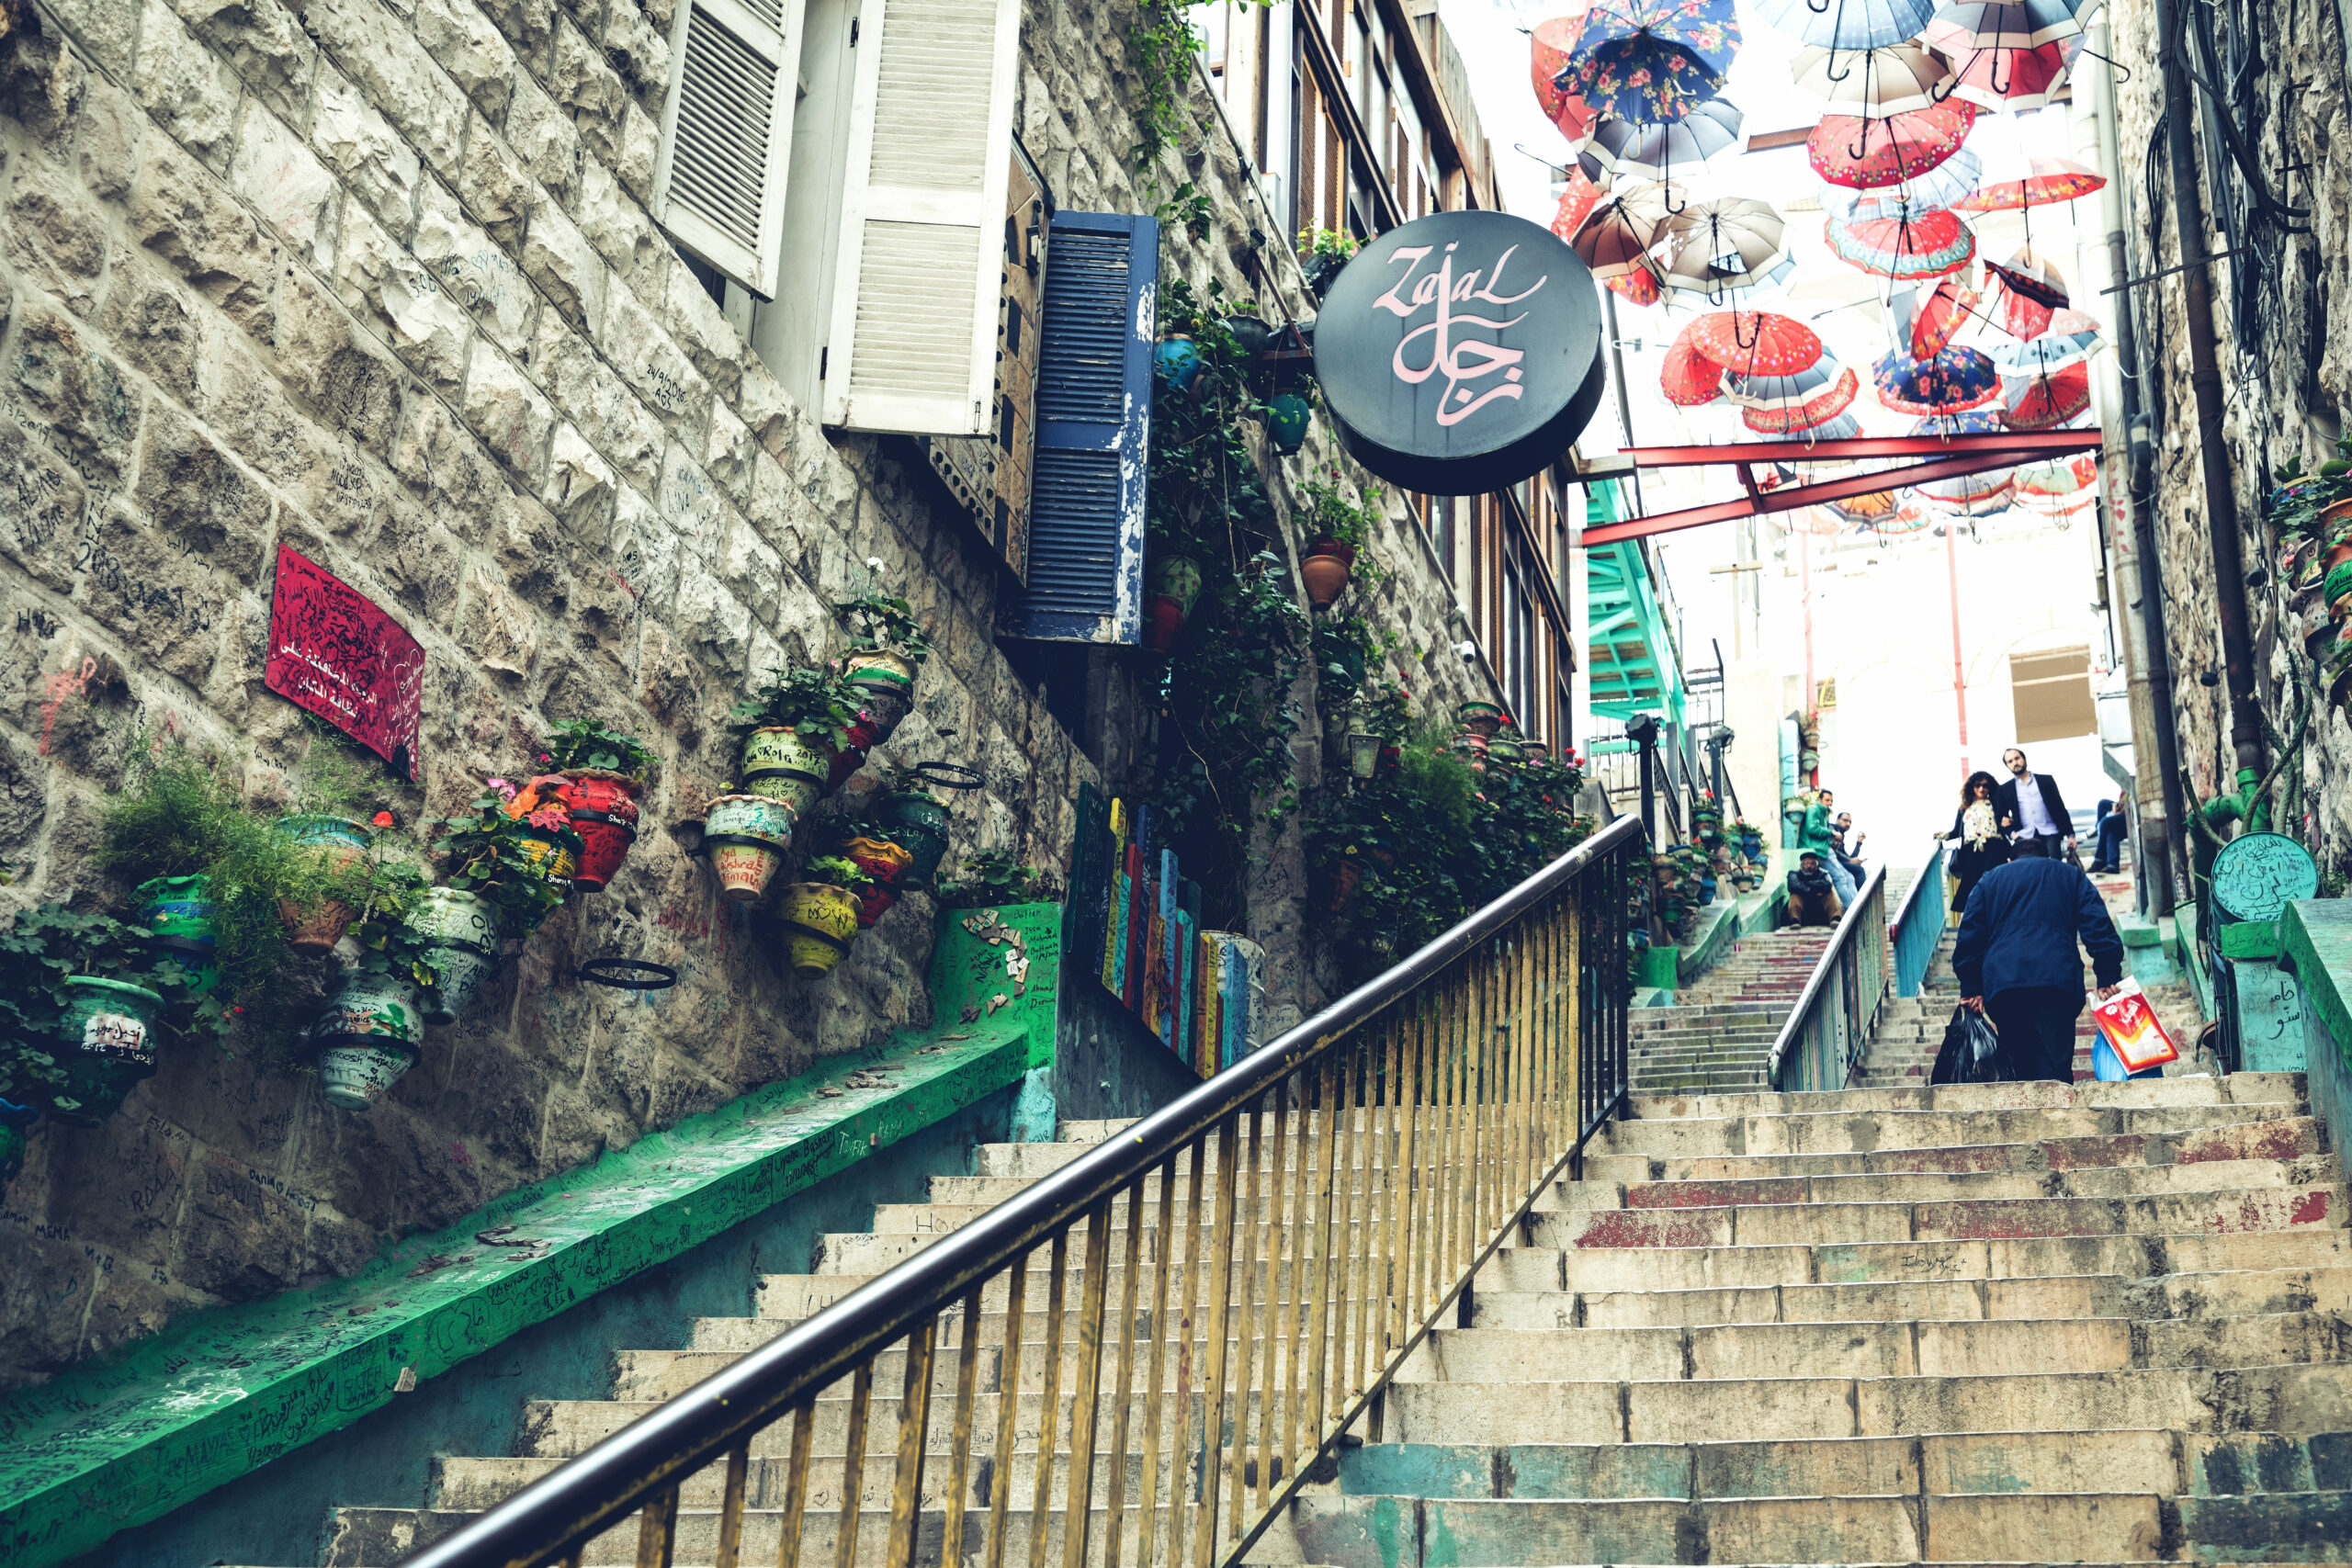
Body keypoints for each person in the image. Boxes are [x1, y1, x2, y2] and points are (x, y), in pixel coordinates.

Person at [1951, 852, 2125, 1082]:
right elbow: (2097, 924)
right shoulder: (2069, 874)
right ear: (2048, 857)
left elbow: (1969, 935)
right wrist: (2107, 974)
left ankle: (2024, 1112)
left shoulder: (1989, 880)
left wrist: (1971, 986)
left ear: (2010, 860)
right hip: (2057, 982)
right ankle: (2058, 1112)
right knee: (2056, 1064)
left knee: (2016, 1064)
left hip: (2005, 984)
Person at [1938, 771, 2010, 913]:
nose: (1981, 789)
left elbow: (2005, 822)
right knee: (1972, 882)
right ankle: (1974, 915)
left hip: (1994, 846)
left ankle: (1995, 913)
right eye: (1978, 785)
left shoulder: (1996, 803)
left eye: (1985, 785)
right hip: (1970, 849)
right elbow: (1956, 830)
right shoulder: (1964, 807)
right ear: (1972, 787)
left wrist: (2010, 822)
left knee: (1992, 879)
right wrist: (1944, 835)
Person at [1994, 746, 2074, 861]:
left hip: (2050, 832)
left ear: (2024, 759)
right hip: (2023, 836)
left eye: (2017, 758)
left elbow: (2060, 808)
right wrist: (2012, 834)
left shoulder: (2046, 781)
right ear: (2007, 766)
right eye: (2010, 761)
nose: (2015, 763)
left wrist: (2070, 835)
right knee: (2028, 871)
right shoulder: (2005, 789)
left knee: (2053, 869)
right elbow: (2000, 818)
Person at [1801, 790, 1857, 906]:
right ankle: (1853, 911)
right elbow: (1812, 828)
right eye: (1827, 800)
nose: (1830, 803)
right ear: (1819, 800)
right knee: (1840, 878)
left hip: (1825, 848)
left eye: (1831, 801)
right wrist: (1832, 833)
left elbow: (1822, 835)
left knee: (1849, 877)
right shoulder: (1813, 809)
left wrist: (1832, 842)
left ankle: (1858, 907)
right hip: (1817, 850)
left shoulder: (1823, 814)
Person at [1787, 850, 1843, 927]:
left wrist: (1806, 883)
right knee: (1794, 895)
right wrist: (1813, 892)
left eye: (1812, 864)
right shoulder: (1794, 874)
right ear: (1802, 865)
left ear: (1817, 865)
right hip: (1803, 904)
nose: (1809, 866)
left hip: (1819, 904)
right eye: (1806, 863)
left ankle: (1835, 918)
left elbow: (1828, 884)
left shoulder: (1824, 873)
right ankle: (1795, 920)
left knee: (1831, 892)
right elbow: (1793, 885)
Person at [2091, 797, 2129, 874]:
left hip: (2131, 809)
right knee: (2103, 804)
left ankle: (2100, 859)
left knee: (2105, 822)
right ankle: (2112, 865)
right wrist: (2118, 805)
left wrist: (2123, 809)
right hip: (2125, 805)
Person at [1832, 811, 1867, 885]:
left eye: (1850, 822)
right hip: (1831, 862)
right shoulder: (1832, 829)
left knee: (1856, 867)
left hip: (1839, 863)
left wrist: (1859, 842)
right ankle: (1863, 896)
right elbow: (1832, 850)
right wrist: (1849, 860)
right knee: (1859, 870)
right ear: (1837, 820)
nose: (1848, 824)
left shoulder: (1842, 835)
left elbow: (1850, 858)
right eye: (1845, 820)